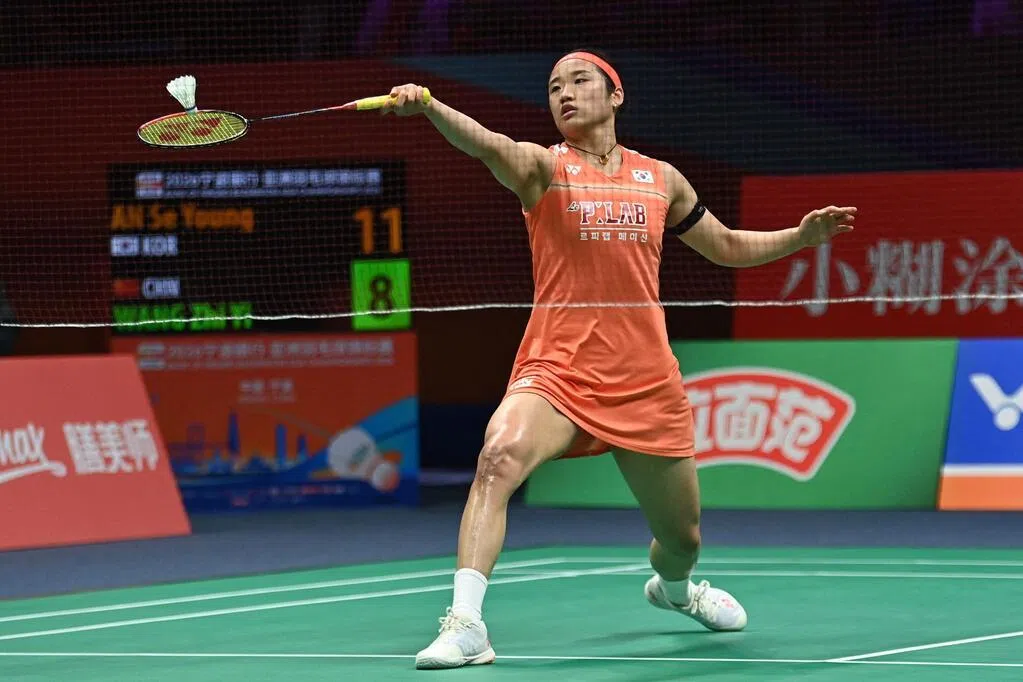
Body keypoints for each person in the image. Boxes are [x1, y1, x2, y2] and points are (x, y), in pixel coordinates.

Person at [380, 48, 856, 670]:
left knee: (682, 539)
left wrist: (802, 237)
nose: (564, 93)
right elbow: (488, 145)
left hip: (646, 381)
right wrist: (432, 107)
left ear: (615, 95)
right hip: (559, 369)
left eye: (579, 80)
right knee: (498, 457)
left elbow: (727, 246)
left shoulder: (661, 179)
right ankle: (467, 623)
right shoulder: (543, 169)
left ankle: (677, 591)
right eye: (554, 86)